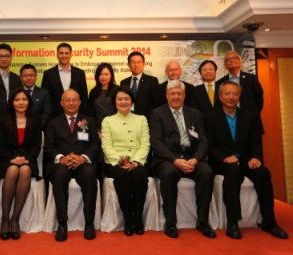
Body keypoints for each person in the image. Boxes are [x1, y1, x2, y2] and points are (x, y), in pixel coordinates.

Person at [205, 81, 288, 239]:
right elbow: (209, 145)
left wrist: (256, 157)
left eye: (235, 94)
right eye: (227, 94)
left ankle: (269, 222)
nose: (231, 97)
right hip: (222, 163)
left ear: (239, 96)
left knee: (263, 172)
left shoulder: (249, 116)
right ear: (220, 96)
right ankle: (233, 222)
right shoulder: (210, 118)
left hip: (246, 160)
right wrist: (224, 158)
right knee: (233, 171)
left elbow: (256, 141)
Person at [150, 81, 216, 239]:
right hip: (168, 159)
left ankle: (202, 221)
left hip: (192, 157)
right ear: (166, 96)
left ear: (184, 95)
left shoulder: (195, 114)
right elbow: (156, 143)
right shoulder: (157, 114)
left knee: (207, 172)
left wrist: (196, 159)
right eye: (172, 93)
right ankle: (171, 223)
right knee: (168, 173)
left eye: (179, 93)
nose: (176, 96)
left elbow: (204, 140)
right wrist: (175, 160)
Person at [44, 89, 99, 242]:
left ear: (80, 102)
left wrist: (83, 158)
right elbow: (48, 147)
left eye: (74, 100)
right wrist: (61, 158)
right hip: (62, 163)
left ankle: (89, 223)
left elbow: (95, 144)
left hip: (82, 162)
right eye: (67, 100)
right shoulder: (53, 123)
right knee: (60, 175)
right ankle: (62, 224)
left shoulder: (88, 121)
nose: (71, 103)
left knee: (89, 175)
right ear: (61, 103)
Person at [101, 86, 151, 236]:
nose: (123, 102)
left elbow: (145, 143)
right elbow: (106, 146)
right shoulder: (107, 121)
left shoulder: (141, 119)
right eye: (119, 99)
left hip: (137, 160)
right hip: (115, 162)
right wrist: (121, 161)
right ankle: (128, 218)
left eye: (126, 99)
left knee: (140, 176)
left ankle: (138, 218)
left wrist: (136, 161)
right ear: (114, 102)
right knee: (122, 176)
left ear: (132, 101)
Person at [0, 88, 42, 240]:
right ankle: (4, 219)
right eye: (17, 100)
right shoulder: (3, 118)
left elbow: (37, 145)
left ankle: (15, 219)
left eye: (24, 99)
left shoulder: (35, 119)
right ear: (12, 102)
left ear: (29, 102)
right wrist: (12, 159)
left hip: (28, 160)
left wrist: (26, 158)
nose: (21, 103)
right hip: (7, 160)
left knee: (25, 170)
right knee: (13, 170)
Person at [216, 51, 264, 132]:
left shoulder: (251, 79)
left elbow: (259, 100)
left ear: (240, 61)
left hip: (251, 121)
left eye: (234, 58)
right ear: (225, 65)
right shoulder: (220, 82)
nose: (231, 60)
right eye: (228, 59)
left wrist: (251, 114)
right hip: (228, 123)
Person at [42, 42, 88, 118]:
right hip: (54, 117)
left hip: (76, 116)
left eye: (66, 53)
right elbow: (45, 98)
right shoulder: (48, 74)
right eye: (61, 53)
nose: (64, 56)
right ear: (57, 54)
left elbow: (84, 97)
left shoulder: (80, 73)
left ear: (71, 54)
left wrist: (83, 117)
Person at [119, 51, 160, 118]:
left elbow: (157, 104)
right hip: (127, 119)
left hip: (146, 120)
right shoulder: (124, 82)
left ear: (144, 64)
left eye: (139, 62)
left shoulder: (152, 81)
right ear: (128, 65)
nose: (136, 65)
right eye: (133, 62)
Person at [19, 64, 52, 130]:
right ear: (20, 77)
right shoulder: (16, 93)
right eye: (25, 76)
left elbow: (47, 113)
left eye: (31, 75)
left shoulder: (44, 93)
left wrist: (36, 127)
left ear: (36, 76)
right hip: (19, 128)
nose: (29, 78)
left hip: (38, 130)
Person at [87, 62, 118, 130]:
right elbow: (91, 114)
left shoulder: (117, 90)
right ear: (97, 76)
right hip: (98, 129)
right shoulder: (93, 92)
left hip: (116, 128)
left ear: (111, 75)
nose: (103, 77)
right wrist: (96, 131)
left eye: (106, 74)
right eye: (101, 74)